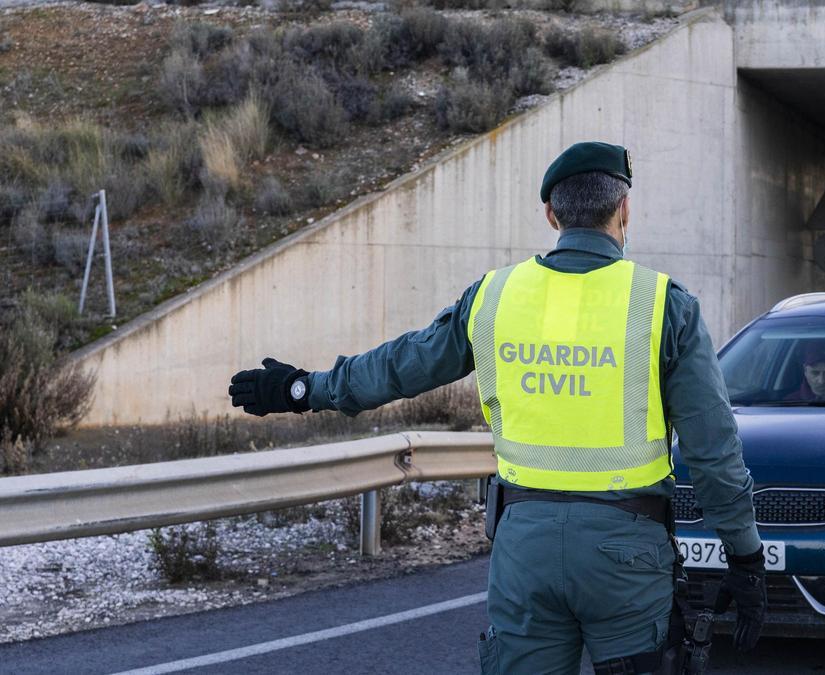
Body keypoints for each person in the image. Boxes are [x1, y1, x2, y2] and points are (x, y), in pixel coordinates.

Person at [227, 142, 766, 674]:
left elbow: (399, 366)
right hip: (626, 556)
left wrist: (302, 389)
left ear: (551, 214)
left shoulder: (493, 297)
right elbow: (712, 447)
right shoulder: (664, 304)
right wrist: (744, 555)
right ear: (624, 209)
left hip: (522, 547)